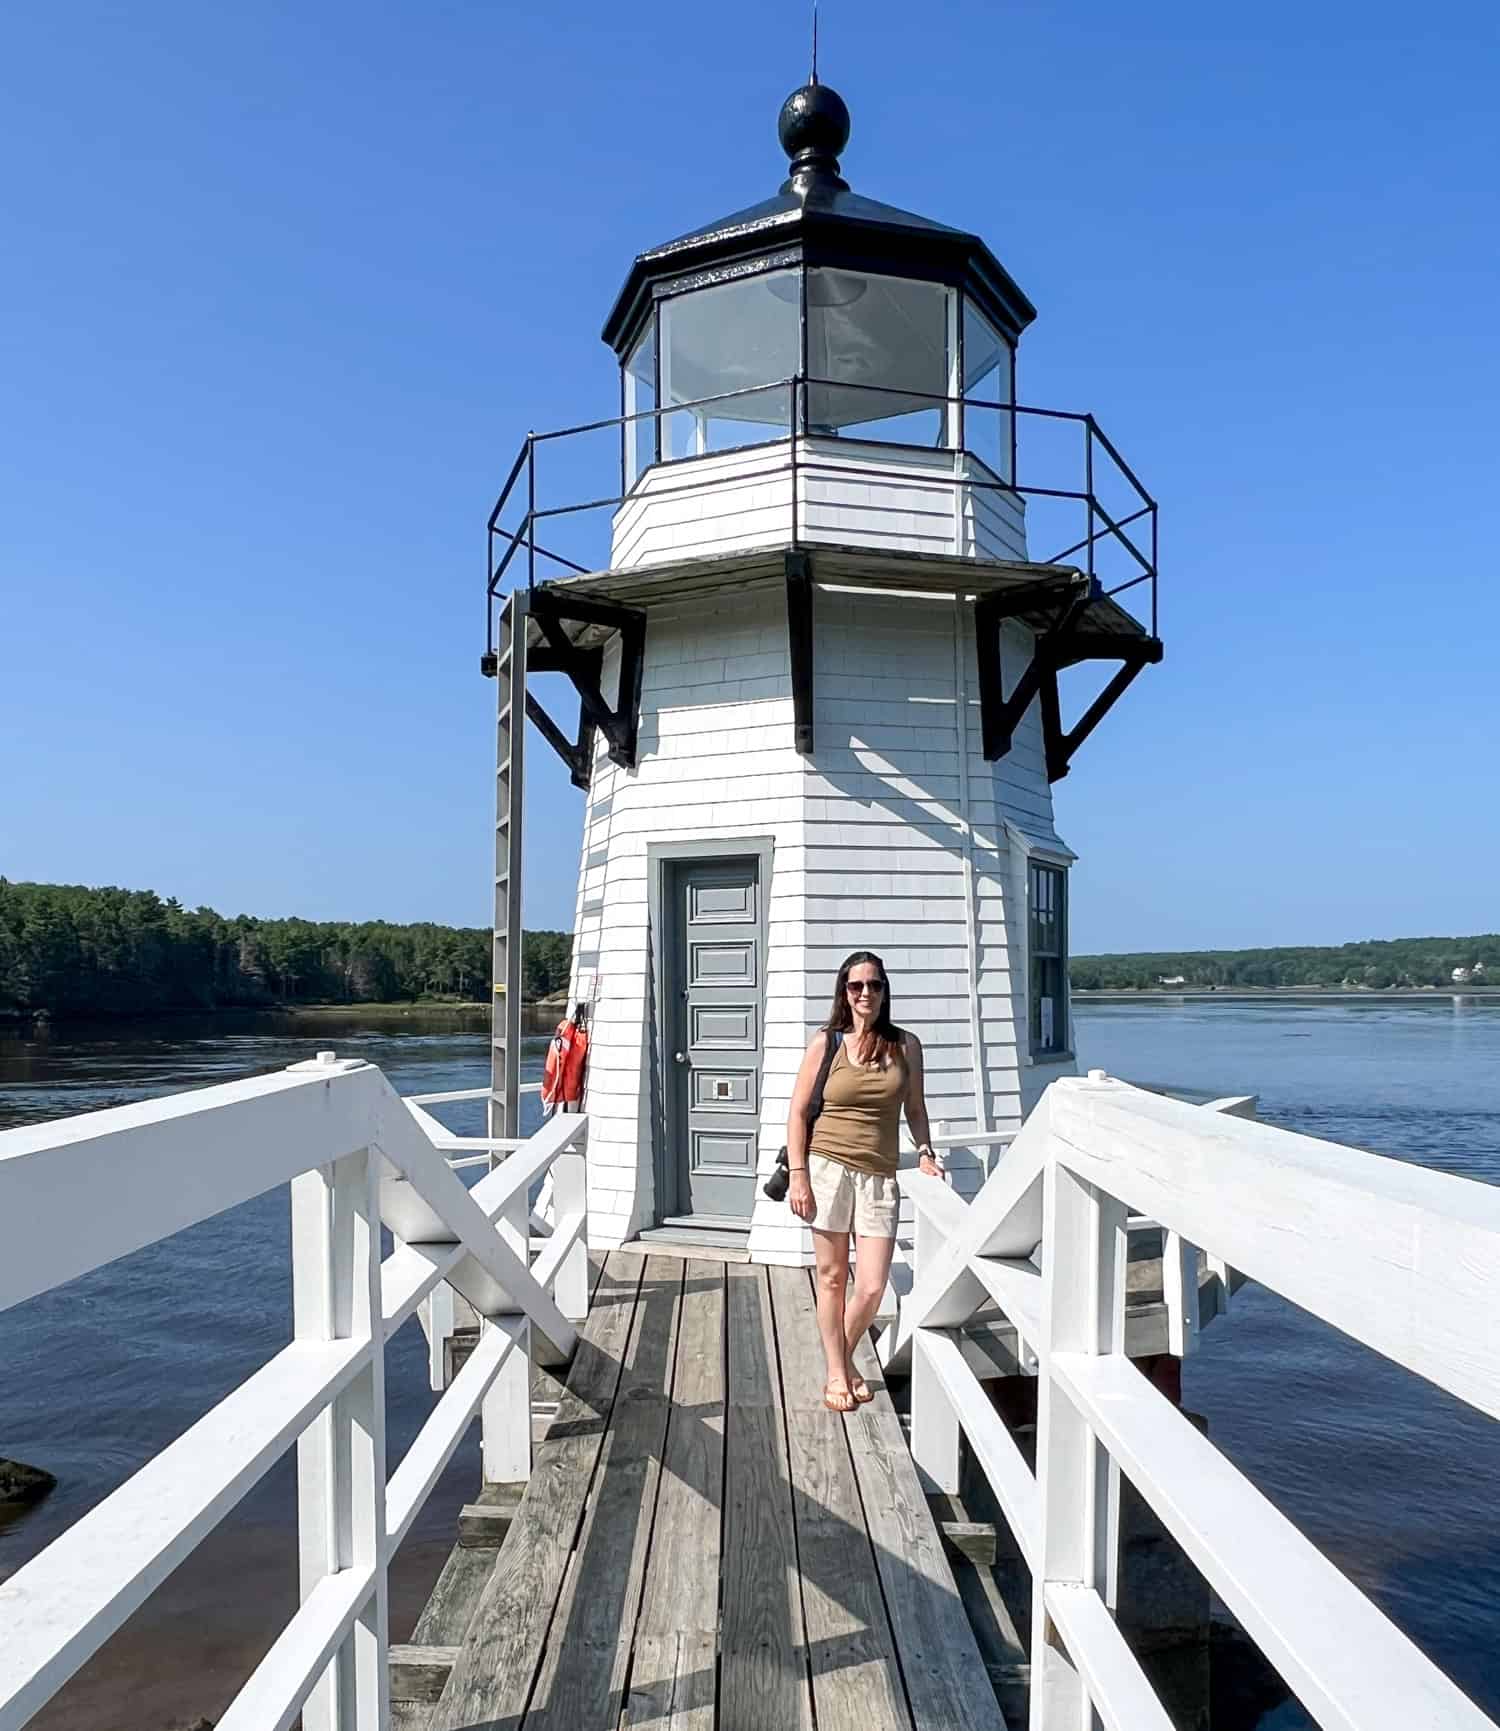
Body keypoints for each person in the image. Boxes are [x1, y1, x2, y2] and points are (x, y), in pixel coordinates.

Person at [785, 950, 941, 1412]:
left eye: (874, 985)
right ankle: (838, 1372)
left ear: (884, 990)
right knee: (832, 1278)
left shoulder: (906, 1046)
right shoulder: (826, 1043)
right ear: (844, 992)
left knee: (871, 1285)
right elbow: (796, 1113)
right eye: (857, 986)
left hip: (879, 1173)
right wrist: (799, 1176)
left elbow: (914, 1108)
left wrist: (926, 1151)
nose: (866, 993)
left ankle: (842, 1357)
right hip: (827, 1167)